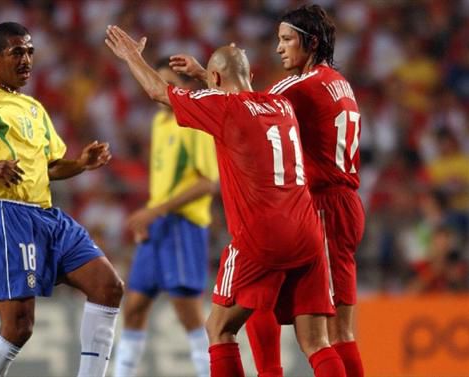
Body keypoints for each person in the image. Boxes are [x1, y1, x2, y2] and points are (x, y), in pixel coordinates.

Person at [105, 25, 345, 377]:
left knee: (219, 328)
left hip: (260, 236)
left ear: (216, 77)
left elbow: (159, 91)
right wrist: (206, 74)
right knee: (316, 342)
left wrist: (132, 57)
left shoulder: (225, 108)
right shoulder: (280, 104)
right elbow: (238, 90)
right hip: (308, 233)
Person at [169, 5, 365, 377]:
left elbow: (247, 106)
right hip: (347, 203)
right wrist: (207, 75)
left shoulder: (294, 87)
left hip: (317, 206)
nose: (279, 49)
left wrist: (213, 78)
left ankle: (270, 372)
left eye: (287, 39)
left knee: (285, 311)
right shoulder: (340, 82)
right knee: (338, 331)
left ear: (312, 43)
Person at [0, 22, 124, 377]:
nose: (26, 59)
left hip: (45, 215)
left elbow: (50, 167)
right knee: (18, 327)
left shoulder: (32, 107)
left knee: (108, 287)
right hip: (3, 214)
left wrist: (81, 164)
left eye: (30, 51)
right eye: (17, 52)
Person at [112, 59, 219, 377]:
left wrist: (155, 211)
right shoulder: (160, 122)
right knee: (134, 308)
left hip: (184, 226)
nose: (159, 89)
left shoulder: (196, 122)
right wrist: (149, 218)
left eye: (168, 82)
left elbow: (207, 182)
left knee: (187, 312)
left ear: (184, 87)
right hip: (157, 227)